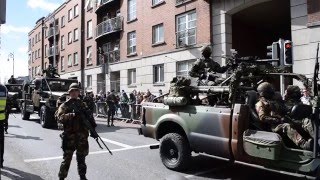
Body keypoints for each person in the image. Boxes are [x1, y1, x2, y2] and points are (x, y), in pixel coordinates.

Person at [255, 82, 312, 150]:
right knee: (287, 127)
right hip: (274, 126)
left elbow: (283, 108)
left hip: (283, 120)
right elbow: (262, 117)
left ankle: (315, 139)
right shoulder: (260, 104)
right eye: (270, 90)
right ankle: (303, 144)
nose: (272, 91)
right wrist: (277, 120)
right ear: (265, 93)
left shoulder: (274, 100)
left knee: (302, 122)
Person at [56, 83, 92, 180]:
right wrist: (70, 115)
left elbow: (88, 118)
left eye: (76, 91)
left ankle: (82, 177)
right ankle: (61, 177)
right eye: (72, 91)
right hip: (69, 137)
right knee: (67, 159)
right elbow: (60, 118)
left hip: (81, 137)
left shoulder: (82, 104)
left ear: (79, 92)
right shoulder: (65, 105)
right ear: (69, 92)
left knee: (81, 159)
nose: (74, 93)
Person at [0, 84, 8, 168]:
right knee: (1, 142)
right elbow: (8, 103)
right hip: (1, 119)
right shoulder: (3, 88)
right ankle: (1, 162)